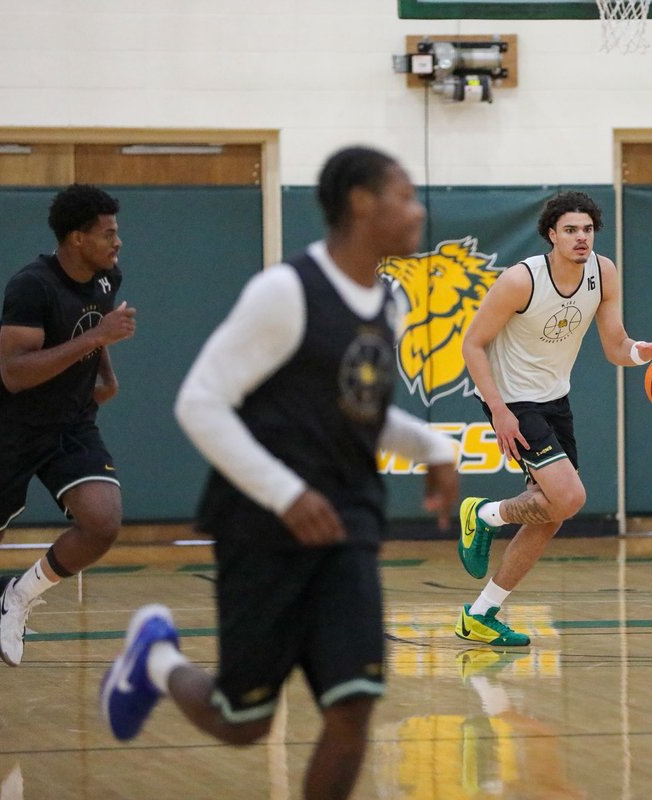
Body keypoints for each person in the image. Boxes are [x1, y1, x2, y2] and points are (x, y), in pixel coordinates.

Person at [100, 145, 460, 800]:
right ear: (360, 203)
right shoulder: (286, 292)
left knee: (352, 708)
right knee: (242, 722)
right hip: (261, 526)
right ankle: (154, 659)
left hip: (348, 521)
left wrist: (435, 448)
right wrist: (285, 491)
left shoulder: (389, 302)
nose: (418, 211)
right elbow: (199, 402)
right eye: (405, 196)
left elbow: (363, 414)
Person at [455, 191, 652, 647]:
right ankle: (483, 514)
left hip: (555, 399)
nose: (581, 238)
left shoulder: (604, 272)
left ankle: (481, 613)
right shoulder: (522, 281)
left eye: (588, 230)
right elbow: (472, 344)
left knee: (552, 515)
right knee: (569, 497)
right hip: (513, 400)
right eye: (571, 230)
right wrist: (498, 410)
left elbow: (615, 345)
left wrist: (643, 354)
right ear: (551, 235)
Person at [0, 183, 135, 667]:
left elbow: (96, 326)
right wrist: (96, 337)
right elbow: (15, 373)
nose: (117, 242)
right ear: (76, 238)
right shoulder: (32, 286)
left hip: (69, 423)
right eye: (108, 233)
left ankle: (19, 594)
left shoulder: (107, 278)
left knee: (103, 521)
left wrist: (105, 374)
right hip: (7, 430)